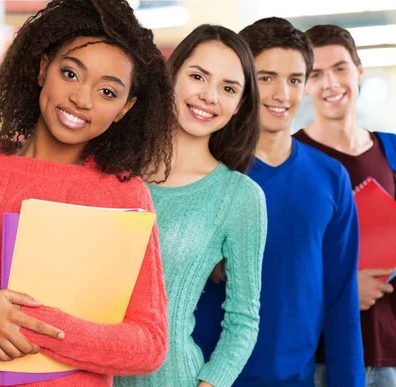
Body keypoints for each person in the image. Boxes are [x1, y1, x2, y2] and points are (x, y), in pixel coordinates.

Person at [0, 1, 175, 386]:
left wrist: (31, 327)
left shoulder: (124, 195)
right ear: (42, 68)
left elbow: (149, 343)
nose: (82, 99)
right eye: (70, 73)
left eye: (107, 91)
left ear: (125, 108)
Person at [192, 17, 364, 387]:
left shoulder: (330, 178)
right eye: (266, 77)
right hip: (202, 376)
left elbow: (341, 301)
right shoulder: (203, 171)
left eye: (295, 80)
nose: (282, 94)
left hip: (294, 379)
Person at [115, 24, 267, 387]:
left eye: (228, 88)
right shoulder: (113, 168)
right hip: (83, 375)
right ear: (172, 76)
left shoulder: (238, 196)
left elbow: (243, 321)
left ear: (239, 106)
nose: (209, 96)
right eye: (198, 76)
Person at [293, 24, 396, 387]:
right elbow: (281, 269)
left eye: (340, 68)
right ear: (305, 84)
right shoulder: (291, 158)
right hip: (321, 353)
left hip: (390, 347)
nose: (330, 83)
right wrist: (341, 292)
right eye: (316, 74)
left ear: (359, 72)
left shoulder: (391, 151)